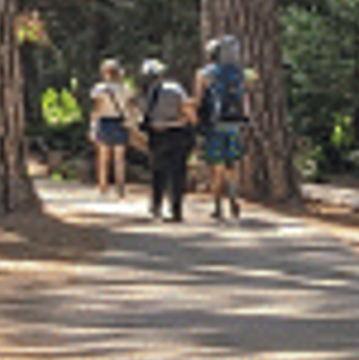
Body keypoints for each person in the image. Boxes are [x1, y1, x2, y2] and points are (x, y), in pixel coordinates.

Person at [196, 38, 254, 221]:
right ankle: (233, 196)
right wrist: (245, 118)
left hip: (214, 124)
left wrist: (197, 120)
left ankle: (217, 205)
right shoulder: (239, 73)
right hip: (234, 124)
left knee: (217, 166)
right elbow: (244, 98)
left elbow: (198, 99)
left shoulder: (204, 73)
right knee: (231, 164)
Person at [135, 58, 198, 222]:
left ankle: (156, 205)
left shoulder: (143, 93)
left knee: (158, 172)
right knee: (178, 173)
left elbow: (141, 115)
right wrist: (190, 123)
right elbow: (187, 109)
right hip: (178, 133)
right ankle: (176, 208)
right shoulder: (175, 88)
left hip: (157, 134)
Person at [86, 58, 138, 200]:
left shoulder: (99, 89)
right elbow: (130, 107)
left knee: (103, 157)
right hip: (120, 123)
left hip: (104, 122)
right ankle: (120, 186)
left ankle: (103, 186)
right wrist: (132, 123)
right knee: (119, 157)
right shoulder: (125, 89)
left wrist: (92, 126)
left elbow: (97, 109)